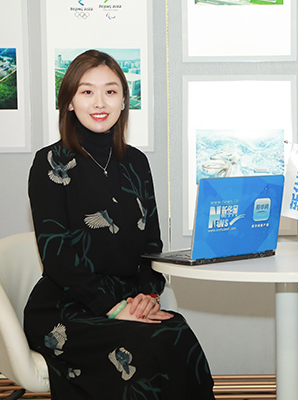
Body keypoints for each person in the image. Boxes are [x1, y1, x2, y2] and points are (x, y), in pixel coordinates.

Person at [25, 50, 216, 399]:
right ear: (69, 102)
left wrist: (147, 296)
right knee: (149, 344)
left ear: (124, 100)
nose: (100, 102)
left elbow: (151, 245)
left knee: (176, 332)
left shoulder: (136, 162)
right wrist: (114, 308)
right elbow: (57, 256)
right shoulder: (49, 162)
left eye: (110, 91)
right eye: (87, 91)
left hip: (129, 298)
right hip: (67, 307)